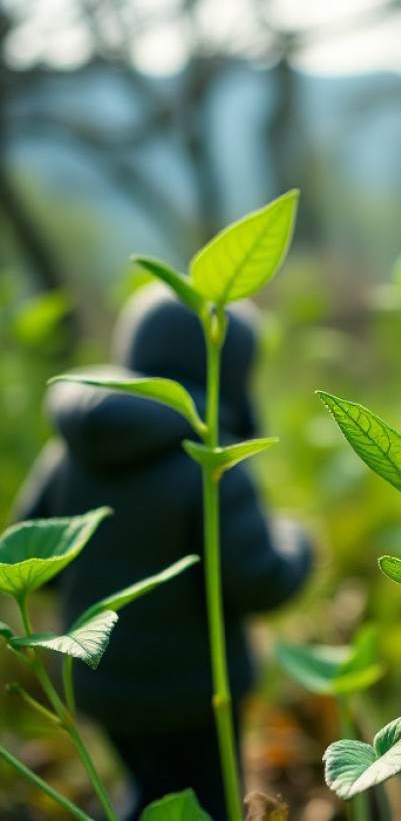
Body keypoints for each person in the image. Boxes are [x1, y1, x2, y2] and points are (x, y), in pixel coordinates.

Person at [12, 284, 313, 820]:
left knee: (147, 786)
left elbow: (30, 555)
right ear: (230, 373)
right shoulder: (211, 466)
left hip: (99, 684)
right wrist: (298, 544)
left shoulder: (67, 452)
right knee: (208, 802)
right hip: (194, 693)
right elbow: (258, 580)